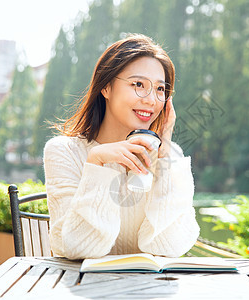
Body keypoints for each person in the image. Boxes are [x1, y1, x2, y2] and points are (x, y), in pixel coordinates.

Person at [43, 34, 200, 259]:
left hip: (150, 291)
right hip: (85, 289)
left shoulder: (168, 155)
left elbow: (168, 247)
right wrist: (97, 164)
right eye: (138, 84)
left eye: (160, 89)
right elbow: (77, 248)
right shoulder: (63, 151)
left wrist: (164, 153)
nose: (151, 100)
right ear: (106, 88)